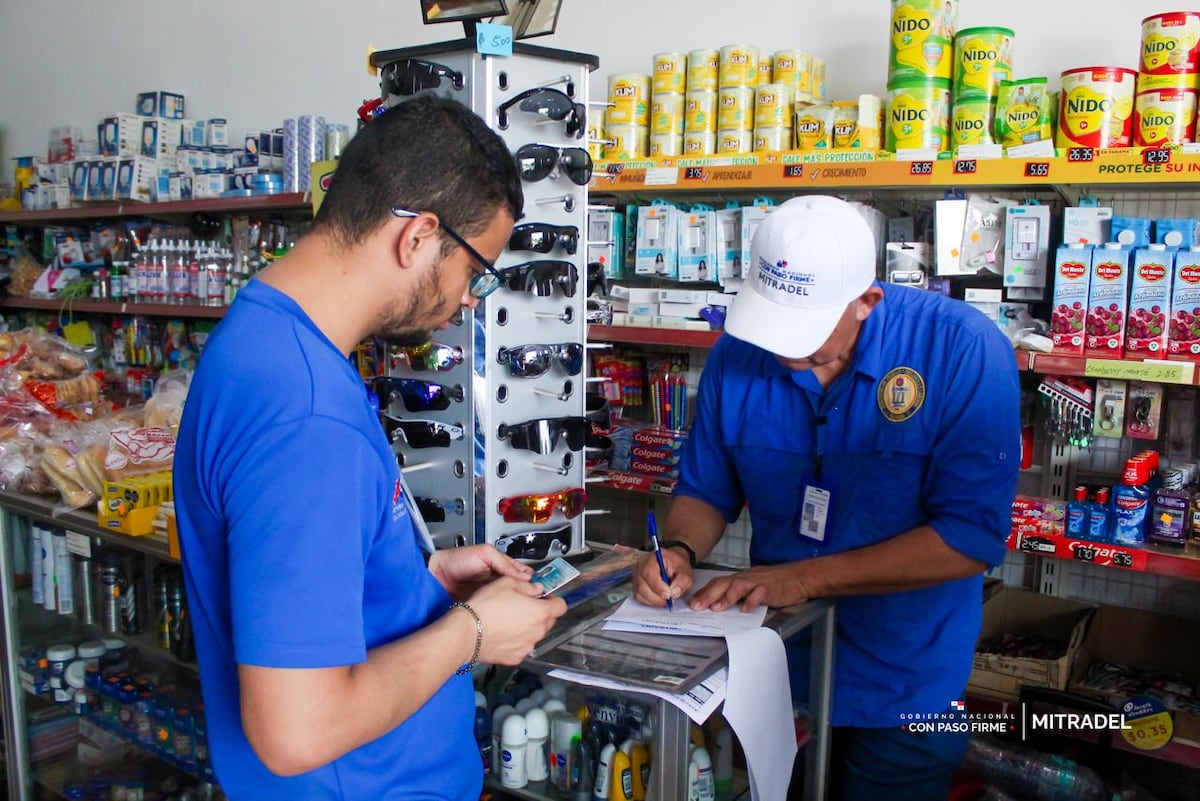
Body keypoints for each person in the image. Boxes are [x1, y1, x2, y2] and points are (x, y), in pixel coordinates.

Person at [173, 94, 567, 800]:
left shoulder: (265, 340)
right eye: (475, 270)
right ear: (418, 237)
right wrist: (474, 632)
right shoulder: (308, 415)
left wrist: (422, 582)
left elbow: (299, 586)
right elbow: (297, 731)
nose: (470, 299)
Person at [632, 195, 1019, 801]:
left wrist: (805, 579)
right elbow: (706, 489)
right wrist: (679, 549)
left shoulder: (962, 349)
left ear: (868, 301)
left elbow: (970, 538)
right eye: (773, 325)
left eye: (806, 334)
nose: (785, 351)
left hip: (908, 679)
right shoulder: (739, 352)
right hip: (780, 664)